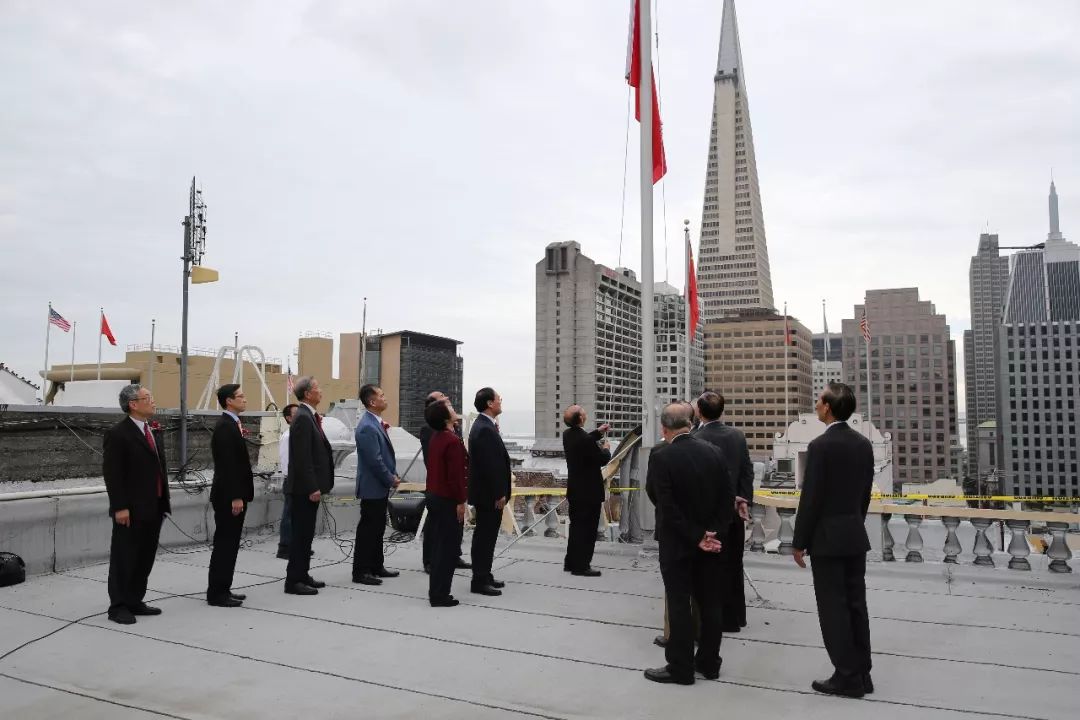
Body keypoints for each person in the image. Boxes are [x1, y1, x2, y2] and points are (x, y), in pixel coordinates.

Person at [793, 382, 875, 698]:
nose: (815, 404)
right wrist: (854, 522)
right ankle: (863, 672)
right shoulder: (863, 444)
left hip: (827, 540)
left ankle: (846, 677)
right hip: (855, 536)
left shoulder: (820, 446)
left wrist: (799, 542)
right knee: (856, 606)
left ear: (828, 407)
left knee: (833, 609)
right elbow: (864, 495)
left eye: (819, 399)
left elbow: (811, 499)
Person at [644, 402, 733, 685]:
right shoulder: (715, 453)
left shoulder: (662, 457)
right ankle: (709, 663)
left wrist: (695, 536)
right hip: (712, 542)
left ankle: (680, 667)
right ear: (691, 424)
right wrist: (711, 534)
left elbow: (665, 507)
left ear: (664, 429)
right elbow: (726, 500)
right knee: (710, 604)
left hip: (678, 544)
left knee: (680, 603)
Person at [103, 384, 172, 624]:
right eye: (148, 398)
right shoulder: (118, 434)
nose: (153, 401)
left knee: (145, 557)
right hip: (131, 509)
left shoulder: (151, 430)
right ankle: (118, 606)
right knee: (125, 557)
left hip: (154, 506)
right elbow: (113, 474)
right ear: (133, 404)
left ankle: (135, 600)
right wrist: (120, 507)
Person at [693, 391, 754, 632]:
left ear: (699, 410)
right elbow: (747, 471)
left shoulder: (696, 438)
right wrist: (743, 500)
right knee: (734, 564)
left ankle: (712, 621)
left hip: (709, 515)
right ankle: (735, 617)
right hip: (734, 513)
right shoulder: (737, 436)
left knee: (709, 570)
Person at [283, 377, 333, 596]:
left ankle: (302, 574)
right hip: (304, 489)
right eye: (317, 388)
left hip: (309, 487)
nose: (320, 391)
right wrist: (313, 487)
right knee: (301, 536)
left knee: (306, 535)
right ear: (307, 394)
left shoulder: (309, 416)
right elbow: (302, 458)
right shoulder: (303, 418)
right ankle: (294, 581)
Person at [206, 384, 254, 608]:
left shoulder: (233, 424)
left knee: (231, 544)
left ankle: (224, 587)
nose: (245, 399)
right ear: (229, 401)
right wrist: (236, 496)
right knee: (225, 544)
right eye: (240, 396)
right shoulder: (225, 427)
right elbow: (228, 466)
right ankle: (217, 593)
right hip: (228, 497)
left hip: (233, 495)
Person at [352, 384, 401, 586]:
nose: (384, 397)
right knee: (368, 530)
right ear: (372, 402)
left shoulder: (376, 423)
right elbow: (374, 460)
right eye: (381, 395)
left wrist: (392, 475)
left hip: (379, 487)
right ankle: (361, 571)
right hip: (372, 488)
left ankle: (376, 566)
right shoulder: (366, 427)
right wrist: (391, 478)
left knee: (378, 528)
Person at [423, 400, 469, 607]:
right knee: (448, 548)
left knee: (440, 546)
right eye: (450, 408)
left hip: (434, 495)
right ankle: (440, 595)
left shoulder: (437, 437)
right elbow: (456, 476)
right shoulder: (451, 440)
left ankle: (437, 592)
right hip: (447, 499)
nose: (454, 409)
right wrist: (461, 501)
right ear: (445, 418)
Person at [467, 387, 511, 597]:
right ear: (489, 404)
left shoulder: (486, 425)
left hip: (487, 493)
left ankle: (485, 575)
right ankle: (479, 580)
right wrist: (499, 494)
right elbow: (490, 466)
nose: (500, 400)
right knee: (484, 537)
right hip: (489, 495)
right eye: (497, 398)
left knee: (487, 536)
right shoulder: (484, 428)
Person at [561, 405, 610, 577]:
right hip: (589, 492)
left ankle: (571, 562)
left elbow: (583, 440)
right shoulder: (585, 440)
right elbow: (602, 459)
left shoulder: (567, 435)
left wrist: (597, 432)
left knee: (576, 528)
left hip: (575, 490)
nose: (585, 413)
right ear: (581, 419)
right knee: (588, 530)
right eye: (583, 412)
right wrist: (606, 448)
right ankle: (582, 566)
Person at [277, 403, 300, 559]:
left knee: (298, 515)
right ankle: (284, 547)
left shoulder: (298, 434)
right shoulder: (288, 436)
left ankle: (297, 545)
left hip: (300, 480)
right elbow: (286, 461)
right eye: (296, 413)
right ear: (289, 418)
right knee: (289, 514)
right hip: (292, 480)